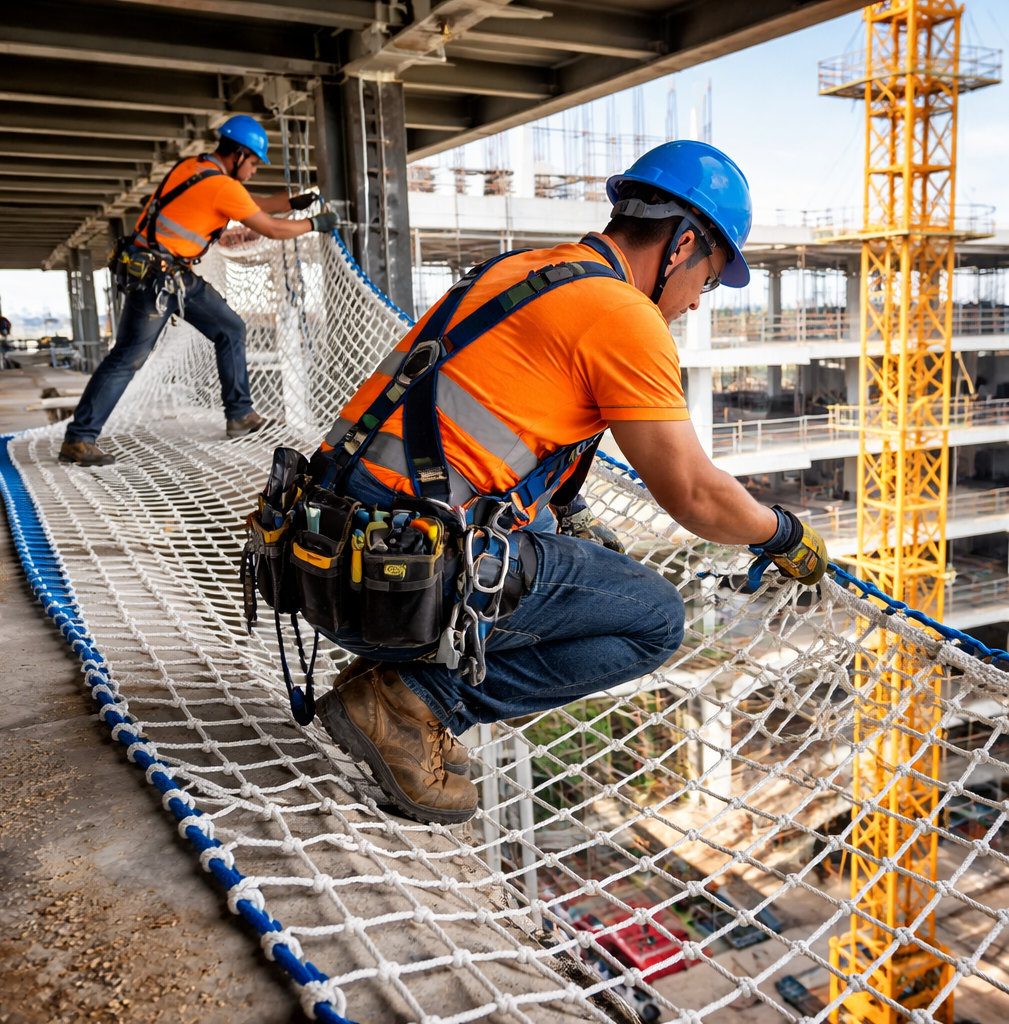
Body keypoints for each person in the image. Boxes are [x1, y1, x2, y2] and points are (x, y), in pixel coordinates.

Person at [308, 141, 828, 825]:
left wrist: (563, 508)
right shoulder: (624, 315)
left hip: (325, 553)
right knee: (654, 621)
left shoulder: (520, 270)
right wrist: (782, 534)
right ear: (683, 243)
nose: (698, 303)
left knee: (562, 541)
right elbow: (694, 494)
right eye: (707, 279)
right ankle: (411, 701)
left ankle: (390, 676)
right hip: (397, 579)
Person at [60, 115, 338, 467]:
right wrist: (315, 223)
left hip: (169, 275)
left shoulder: (193, 168)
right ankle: (79, 438)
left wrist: (289, 204)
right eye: (253, 162)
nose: (254, 170)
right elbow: (270, 228)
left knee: (230, 328)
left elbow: (250, 203)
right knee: (127, 358)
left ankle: (240, 416)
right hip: (158, 281)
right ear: (238, 154)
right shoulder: (223, 187)